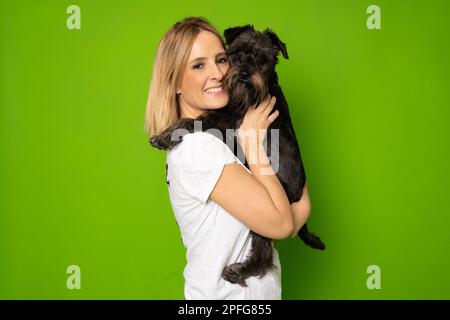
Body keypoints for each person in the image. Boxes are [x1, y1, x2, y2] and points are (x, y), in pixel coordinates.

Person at [144, 17, 311, 300]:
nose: (219, 74)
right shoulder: (199, 149)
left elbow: (295, 212)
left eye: (221, 60)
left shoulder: (214, 137)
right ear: (175, 82)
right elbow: (285, 223)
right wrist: (253, 145)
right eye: (198, 65)